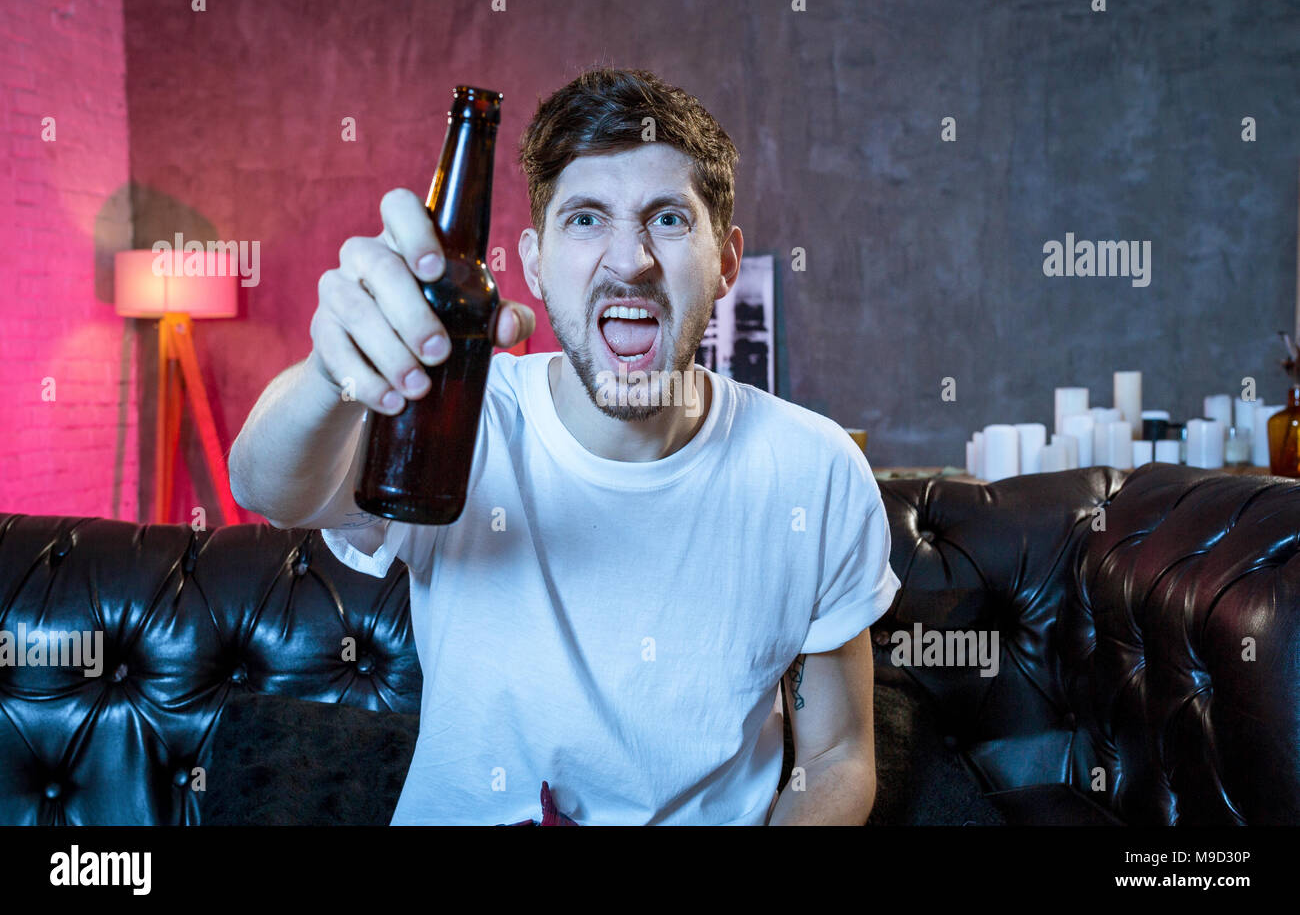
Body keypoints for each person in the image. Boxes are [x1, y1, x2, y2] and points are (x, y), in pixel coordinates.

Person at [229, 66, 900, 825]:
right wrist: (330, 371)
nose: (629, 260)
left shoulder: (815, 471)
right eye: (585, 219)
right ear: (534, 263)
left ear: (725, 262)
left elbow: (837, 757)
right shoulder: (456, 419)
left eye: (669, 220)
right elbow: (266, 487)